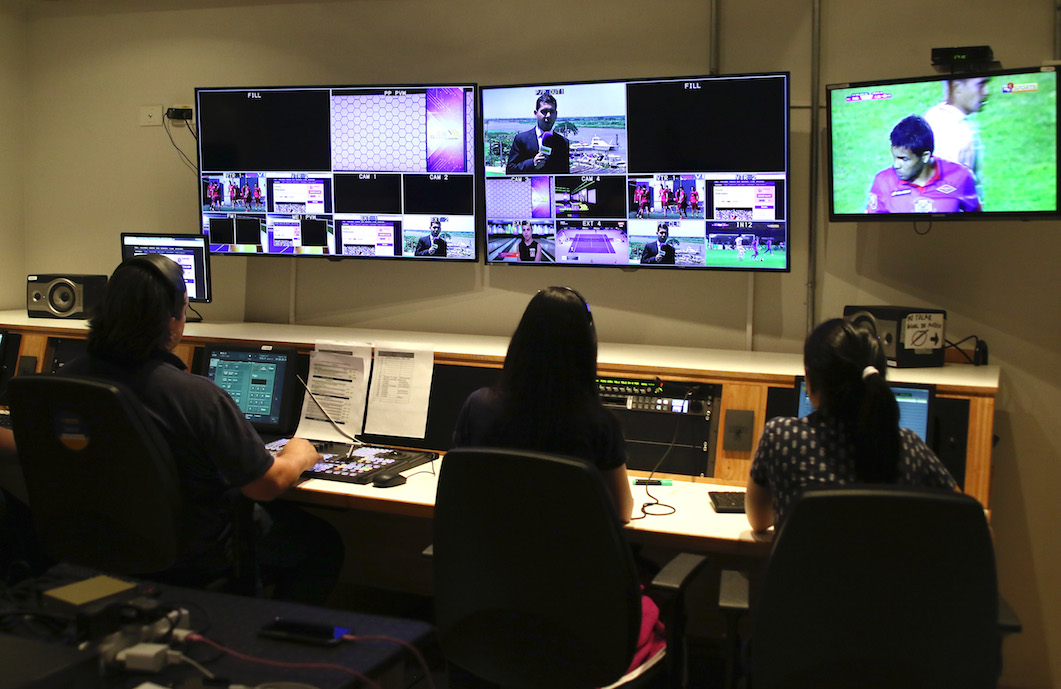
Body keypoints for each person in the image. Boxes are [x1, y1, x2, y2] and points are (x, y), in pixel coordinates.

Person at [61, 254, 343, 603]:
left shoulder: (64, 381)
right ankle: (267, 640)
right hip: (193, 551)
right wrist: (298, 455)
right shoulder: (195, 396)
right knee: (322, 543)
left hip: (94, 541)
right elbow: (265, 486)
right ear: (171, 320)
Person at [452, 287, 662, 674]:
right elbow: (621, 512)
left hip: (493, 600)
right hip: (581, 612)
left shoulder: (477, 406)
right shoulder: (598, 423)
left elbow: (460, 493)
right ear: (586, 349)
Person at [745, 318, 958, 532]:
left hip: (808, 566)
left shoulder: (781, 437)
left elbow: (758, 520)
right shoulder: (909, 447)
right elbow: (968, 517)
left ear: (810, 380)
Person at [867, 114, 981, 214]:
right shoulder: (883, 182)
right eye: (895, 157)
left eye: (904, 159)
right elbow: (874, 227)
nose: (896, 165)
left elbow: (975, 221)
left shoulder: (960, 176)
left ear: (925, 156)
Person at [923, 77, 988, 181]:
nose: (986, 93)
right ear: (957, 87)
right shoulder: (951, 130)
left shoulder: (934, 115)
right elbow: (946, 187)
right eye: (980, 85)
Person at [505, 94, 570, 175]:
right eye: (544, 111)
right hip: (527, 187)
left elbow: (565, 174)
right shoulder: (521, 139)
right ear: (535, 113)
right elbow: (510, 170)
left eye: (552, 112)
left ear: (556, 114)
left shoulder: (563, 142)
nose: (548, 116)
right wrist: (532, 163)